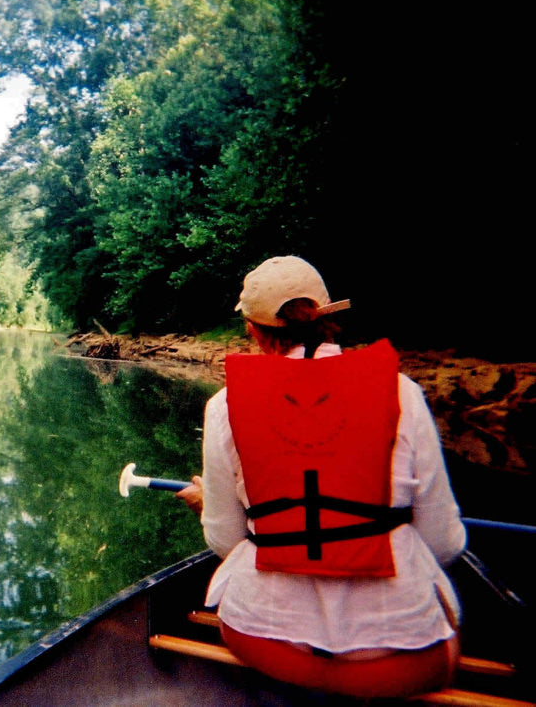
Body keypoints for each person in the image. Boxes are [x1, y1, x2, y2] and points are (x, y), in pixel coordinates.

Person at [176, 255, 466, 699]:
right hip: (401, 663)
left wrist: (211, 505)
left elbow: (226, 542)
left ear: (253, 331)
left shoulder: (223, 407)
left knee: (236, 614)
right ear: (329, 319)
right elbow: (443, 544)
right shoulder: (403, 393)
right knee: (446, 625)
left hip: (267, 644)